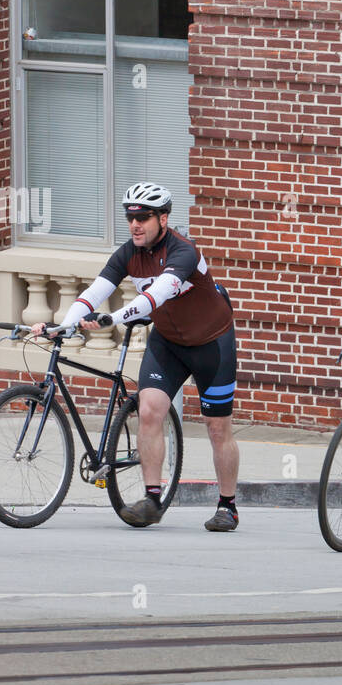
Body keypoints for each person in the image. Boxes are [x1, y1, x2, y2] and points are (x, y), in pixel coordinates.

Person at [31, 182, 241, 532]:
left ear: (163, 218)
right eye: (130, 217)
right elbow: (96, 291)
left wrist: (112, 319)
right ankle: (152, 499)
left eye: (143, 217)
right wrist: (62, 326)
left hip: (212, 343)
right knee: (148, 410)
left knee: (217, 427)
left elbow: (155, 296)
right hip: (169, 343)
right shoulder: (128, 253)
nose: (135, 225)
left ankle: (228, 505)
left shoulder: (184, 252)